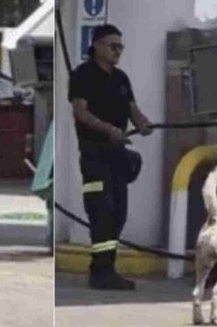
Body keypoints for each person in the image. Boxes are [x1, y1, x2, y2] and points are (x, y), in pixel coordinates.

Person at [68, 24, 152, 290]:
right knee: (101, 212)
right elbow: (80, 113)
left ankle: (104, 268)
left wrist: (142, 123)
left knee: (118, 215)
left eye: (121, 47)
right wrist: (109, 130)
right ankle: (102, 272)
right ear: (97, 46)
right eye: (113, 46)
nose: (118, 51)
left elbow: (133, 111)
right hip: (94, 157)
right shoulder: (82, 75)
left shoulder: (121, 79)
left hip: (116, 157)